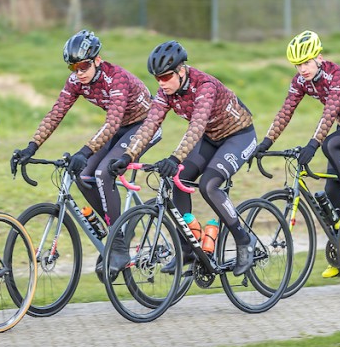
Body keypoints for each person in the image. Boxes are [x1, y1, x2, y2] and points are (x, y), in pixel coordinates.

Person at [108, 41, 259, 276]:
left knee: (209, 185)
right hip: (210, 137)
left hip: (239, 136)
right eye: (157, 78)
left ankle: (244, 239)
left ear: (181, 70)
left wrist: (175, 157)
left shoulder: (204, 86)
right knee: (179, 178)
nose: (162, 83)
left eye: (166, 77)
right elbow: (149, 125)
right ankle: (188, 249)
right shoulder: (165, 92)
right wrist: (127, 156)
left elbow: (196, 127)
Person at [9, 30, 161, 244]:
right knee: (82, 174)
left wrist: (84, 151)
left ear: (97, 60)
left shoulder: (116, 78)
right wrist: (31, 147)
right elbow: (56, 114)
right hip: (120, 128)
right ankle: (117, 227)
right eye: (73, 67)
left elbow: (112, 122)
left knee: (103, 172)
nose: (79, 72)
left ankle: (118, 242)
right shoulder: (76, 82)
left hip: (145, 125)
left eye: (84, 66)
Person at [255, 30, 340, 278]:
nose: (302, 69)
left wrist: (312, 144)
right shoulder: (300, 81)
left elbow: (329, 113)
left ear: (319, 57)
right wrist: (266, 142)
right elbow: (285, 112)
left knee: (329, 145)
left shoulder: (337, 76)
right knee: (331, 192)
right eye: (298, 64)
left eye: (306, 62)